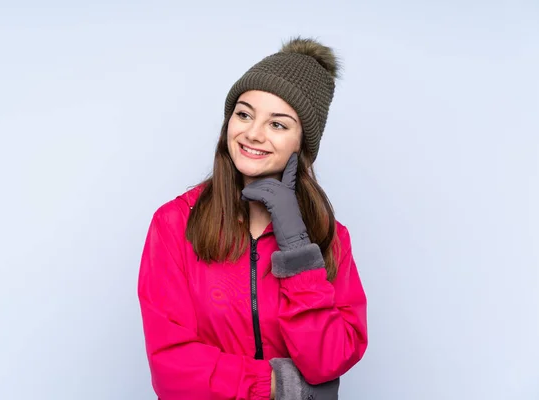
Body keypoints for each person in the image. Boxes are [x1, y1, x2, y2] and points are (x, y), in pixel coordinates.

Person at [137, 36, 368, 399]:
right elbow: (172, 368)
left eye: (278, 124)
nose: (253, 133)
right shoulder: (174, 224)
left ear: (302, 144)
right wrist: (280, 384)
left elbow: (329, 359)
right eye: (244, 114)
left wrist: (295, 243)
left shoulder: (329, 237)